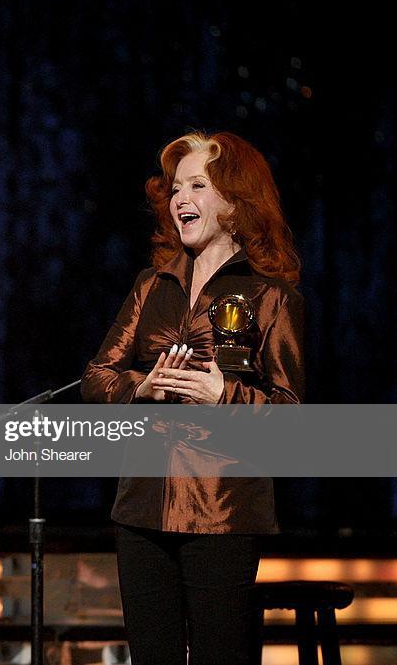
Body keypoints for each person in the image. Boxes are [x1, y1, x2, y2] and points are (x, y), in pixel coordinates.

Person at [81, 131, 304, 664]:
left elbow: (294, 418)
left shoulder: (270, 295)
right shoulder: (150, 285)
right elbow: (97, 377)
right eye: (176, 188)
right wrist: (146, 386)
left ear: (234, 201)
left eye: (197, 185)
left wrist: (222, 393)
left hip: (222, 511)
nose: (180, 198)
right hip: (142, 507)